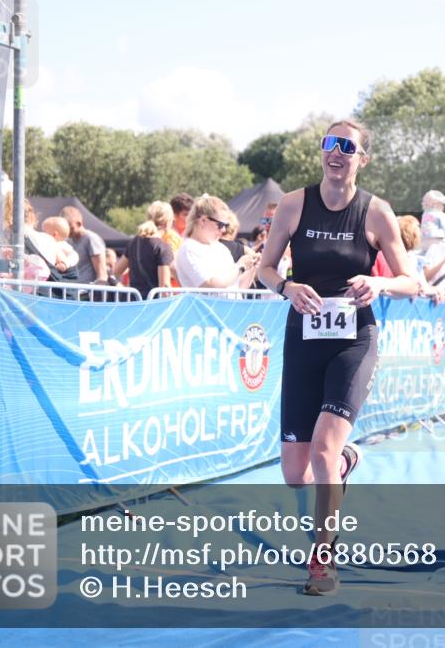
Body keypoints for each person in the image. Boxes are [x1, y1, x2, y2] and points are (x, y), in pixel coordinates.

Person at [256, 119, 419, 596]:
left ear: (362, 159)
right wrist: (287, 286)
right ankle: (346, 463)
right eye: (330, 144)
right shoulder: (293, 204)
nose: (337, 153)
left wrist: (382, 282)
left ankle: (323, 560)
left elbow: (411, 282)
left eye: (348, 147)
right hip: (303, 338)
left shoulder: (376, 213)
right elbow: (265, 268)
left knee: (323, 447)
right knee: (294, 473)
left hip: (354, 341)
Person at [176, 195, 259, 290]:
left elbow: (237, 288)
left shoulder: (221, 248)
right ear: (203, 220)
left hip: (228, 304)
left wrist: (252, 267)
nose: (224, 230)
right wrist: (239, 267)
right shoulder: (189, 249)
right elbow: (210, 284)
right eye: (220, 224)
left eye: (226, 225)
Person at [113, 201, 175, 299]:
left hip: (133, 302)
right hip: (152, 306)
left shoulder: (134, 242)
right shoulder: (163, 248)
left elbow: (116, 271)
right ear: (167, 223)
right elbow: (164, 287)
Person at [61, 206, 108, 286]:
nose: (67, 230)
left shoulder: (92, 239)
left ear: (79, 223)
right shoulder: (67, 241)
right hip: (72, 291)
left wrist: (97, 294)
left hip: (87, 292)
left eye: (70, 227)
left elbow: (102, 274)